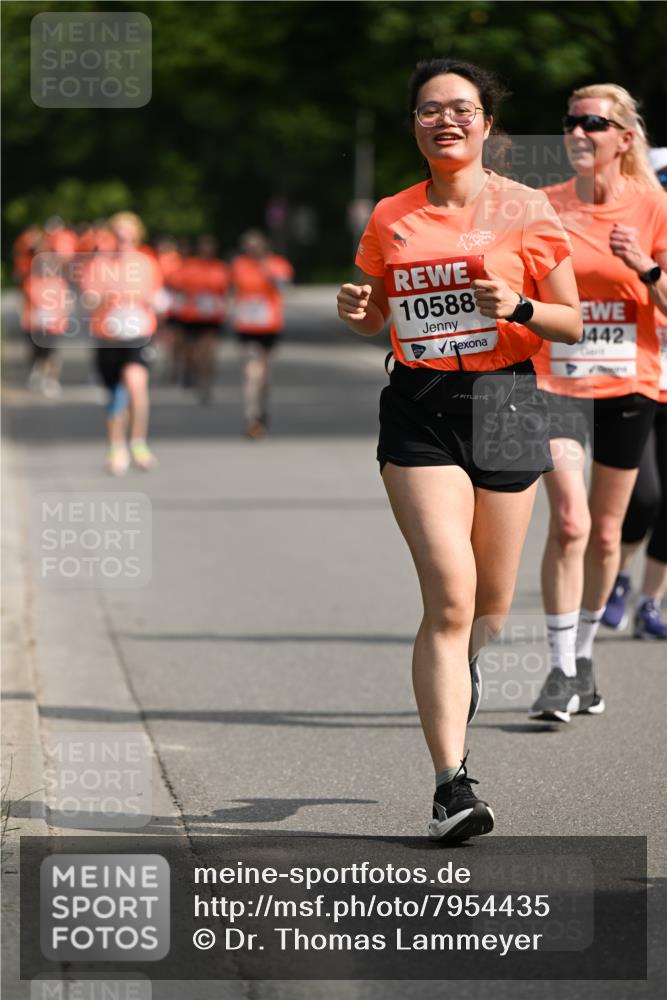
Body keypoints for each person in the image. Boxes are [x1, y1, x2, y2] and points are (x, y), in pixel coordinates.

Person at [337, 58, 581, 840]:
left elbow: (570, 322)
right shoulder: (392, 215)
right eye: (428, 111)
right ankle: (451, 786)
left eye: (461, 109)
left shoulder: (526, 207)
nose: (445, 120)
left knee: (491, 607)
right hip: (421, 408)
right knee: (449, 594)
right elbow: (373, 314)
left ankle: (459, 668)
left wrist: (519, 304)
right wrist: (355, 309)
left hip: (508, 400)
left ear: (485, 123)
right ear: (413, 125)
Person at [529, 86, 667, 722]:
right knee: (571, 524)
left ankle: (583, 658)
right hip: (554, 384)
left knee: (609, 533)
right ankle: (556, 670)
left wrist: (645, 269)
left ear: (624, 138)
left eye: (594, 123)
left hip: (627, 386)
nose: (579, 132)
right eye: (571, 122)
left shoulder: (653, 205)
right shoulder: (543, 208)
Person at [602, 150, 667, 640]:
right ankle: (617, 576)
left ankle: (650, 602)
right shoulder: (628, 236)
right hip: (639, 382)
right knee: (644, 497)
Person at [78, 211, 164, 475]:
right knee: (116, 394)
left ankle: (138, 442)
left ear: (136, 236)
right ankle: (117, 447)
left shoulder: (147, 264)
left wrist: (151, 303)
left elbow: (159, 297)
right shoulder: (98, 265)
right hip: (108, 337)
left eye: (128, 234)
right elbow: (87, 299)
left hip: (138, 335)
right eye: (118, 234)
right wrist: (103, 297)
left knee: (136, 384)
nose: (123, 239)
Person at [229, 230, 293, 438]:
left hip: (269, 326)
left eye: (256, 247)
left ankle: (261, 409)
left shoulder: (277, 264)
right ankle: (251, 415)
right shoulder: (239, 265)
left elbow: (284, 286)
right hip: (246, 325)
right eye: (248, 248)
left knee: (264, 374)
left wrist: (265, 268)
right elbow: (230, 289)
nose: (252, 251)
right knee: (251, 370)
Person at [167, 235, 228, 402]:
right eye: (204, 247)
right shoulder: (189, 266)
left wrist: (223, 305)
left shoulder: (220, 267)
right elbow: (174, 284)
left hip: (211, 316)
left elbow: (225, 290)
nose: (207, 251)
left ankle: (205, 382)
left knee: (208, 350)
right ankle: (191, 371)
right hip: (191, 315)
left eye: (210, 247)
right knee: (191, 350)